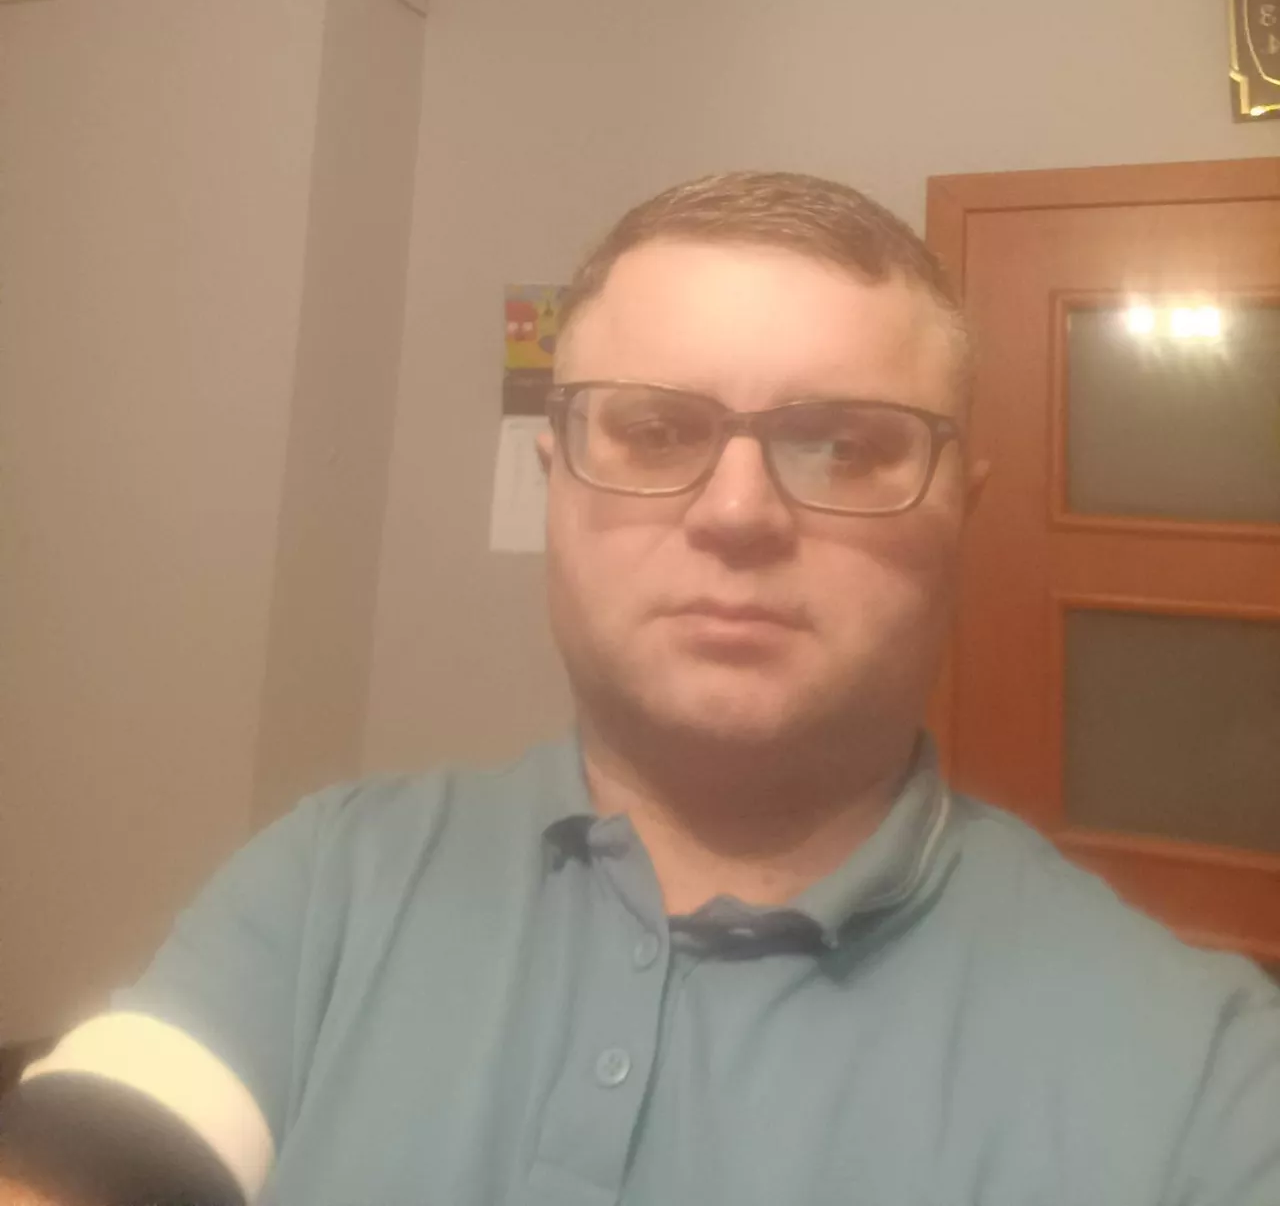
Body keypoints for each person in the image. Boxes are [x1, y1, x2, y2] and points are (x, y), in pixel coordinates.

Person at [2, 170, 1278, 1206]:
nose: (737, 512)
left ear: (959, 510)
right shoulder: (329, 879)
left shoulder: (1203, 1073)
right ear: (555, 479)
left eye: (843, 444)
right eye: (655, 431)